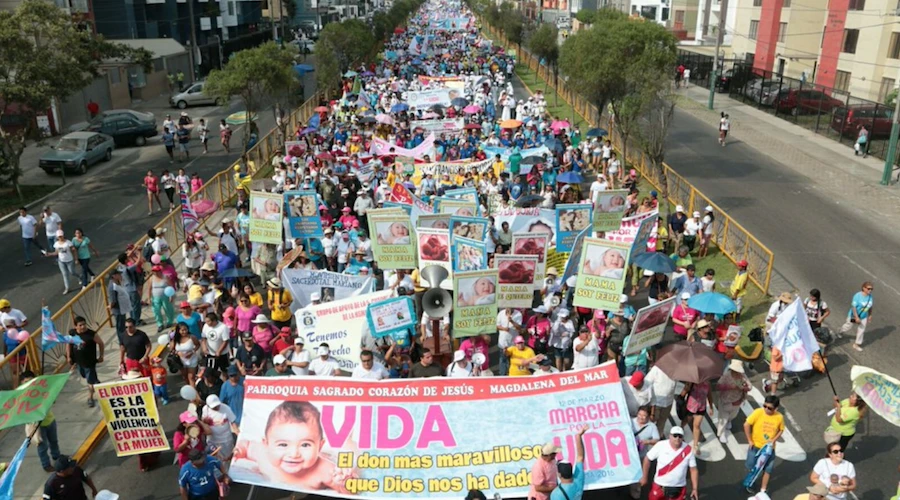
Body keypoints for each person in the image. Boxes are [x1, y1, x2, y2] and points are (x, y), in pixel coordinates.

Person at [230, 401, 354, 493]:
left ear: (320, 446)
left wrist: (344, 483)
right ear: (266, 444)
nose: (294, 454)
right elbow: (247, 445)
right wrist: (238, 451)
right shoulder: (262, 453)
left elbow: (353, 489)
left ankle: (348, 437)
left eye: (305, 445)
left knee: (348, 450)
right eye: (283, 444)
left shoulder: (325, 470)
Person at [640, 426, 700, 500]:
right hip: (659, 485)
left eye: (680, 436)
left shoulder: (688, 450)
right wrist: (644, 476)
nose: (677, 438)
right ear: (670, 436)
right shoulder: (661, 445)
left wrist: (695, 489)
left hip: (679, 487)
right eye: (675, 435)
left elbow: (693, 470)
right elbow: (647, 459)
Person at [743, 394, 785, 494]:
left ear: (776, 408)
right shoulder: (758, 412)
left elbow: (781, 429)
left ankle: (763, 489)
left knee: (768, 470)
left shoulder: (779, 417)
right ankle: (750, 483)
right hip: (755, 447)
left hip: (769, 449)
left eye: (769, 408)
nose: (766, 409)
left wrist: (774, 439)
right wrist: (750, 440)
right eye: (765, 406)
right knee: (752, 467)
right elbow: (746, 424)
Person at [21, 371, 61, 472]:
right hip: (38, 426)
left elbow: (52, 400)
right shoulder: (23, 396)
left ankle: (57, 457)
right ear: (22, 383)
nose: (29, 384)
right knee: (42, 447)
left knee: (54, 441)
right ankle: (46, 465)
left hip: (50, 420)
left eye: (31, 381)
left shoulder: (41, 390)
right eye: (26, 382)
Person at [66, 316, 104, 407]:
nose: (83, 327)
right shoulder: (72, 333)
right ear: (75, 326)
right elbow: (68, 344)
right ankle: (94, 380)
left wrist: (101, 356)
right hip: (78, 362)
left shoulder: (91, 334)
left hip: (90, 362)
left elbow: (101, 343)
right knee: (84, 375)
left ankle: (90, 398)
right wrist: (68, 356)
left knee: (89, 381)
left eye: (84, 324)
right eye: (80, 325)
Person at [714, 359, 751, 443]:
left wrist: (743, 388)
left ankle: (729, 421)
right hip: (725, 400)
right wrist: (730, 387)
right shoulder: (726, 375)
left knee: (733, 415)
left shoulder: (743, 376)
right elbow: (718, 386)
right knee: (723, 418)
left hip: (737, 400)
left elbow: (749, 387)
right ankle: (721, 433)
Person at [630, 407, 661, 499]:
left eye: (644, 416)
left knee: (638, 474)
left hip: (641, 455)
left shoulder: (652, 426)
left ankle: (636, 490)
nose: (641, 417)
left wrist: (647, 441)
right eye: (639, 414)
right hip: (629, 454)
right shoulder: (630, 421)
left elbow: (657, 440)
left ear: (648, 416)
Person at [551, 426, 588, 500]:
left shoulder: (556, 494)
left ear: (559, 474)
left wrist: (578, 436)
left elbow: (580, 457)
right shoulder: (578, 481)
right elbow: (580, 457)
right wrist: (578, 436)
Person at [839, 281, 873, 351]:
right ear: (863, 288)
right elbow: (853, 307)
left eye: (871, 289)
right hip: (854, 315)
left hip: (863, 316)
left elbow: (870, 306)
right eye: (868, 288)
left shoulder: (870, 297)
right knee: (848, 326)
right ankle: (840, 331)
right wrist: (856, 317)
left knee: (861, 330)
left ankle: (856, 344)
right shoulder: (857, 296)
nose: (870, 290)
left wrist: (870, 315)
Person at [44, 230, 80, 295]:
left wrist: (76, 259)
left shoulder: (68, 243)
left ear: (63, 235)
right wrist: (49, 254)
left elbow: (74, 251)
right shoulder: (56, 244)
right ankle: (67, 288)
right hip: (61, 261)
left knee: (72, 272)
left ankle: (79, 277)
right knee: (65, 274)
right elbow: (56, 252)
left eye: (61, 236)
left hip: (69, 260)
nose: (60, 238)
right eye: (59, 236)